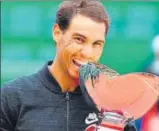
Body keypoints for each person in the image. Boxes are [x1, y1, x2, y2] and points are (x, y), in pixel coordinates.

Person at [1, 0, 109, 131]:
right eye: (79, 39)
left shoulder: (111, 104)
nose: (88, 53)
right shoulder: (13, 96)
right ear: (57, 33)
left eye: (97, 43)